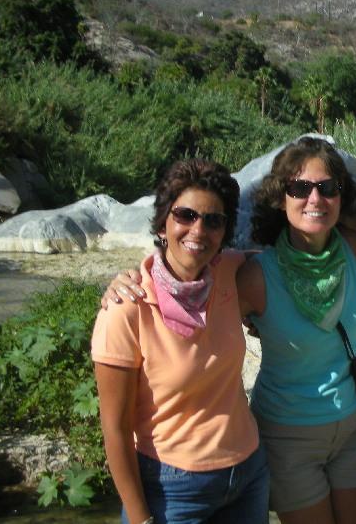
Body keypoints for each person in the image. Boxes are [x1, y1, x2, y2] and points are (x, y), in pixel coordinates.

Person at [105, 137, 356, 524]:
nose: (314, 198)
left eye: (326, 187)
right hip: (286, 435)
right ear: (282, 198)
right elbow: (187, 266)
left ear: (340, 198)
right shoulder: (251, 275)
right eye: (299, 188)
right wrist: (132, 278)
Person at [91, 159, 269, 524]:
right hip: (172, 488)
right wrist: (140, 519)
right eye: (185, 215)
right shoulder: (127, 307)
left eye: (213, 220)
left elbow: (290, 261)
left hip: (248, 472)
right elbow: (115, 429)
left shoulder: (229, 271)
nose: (198, 230)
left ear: (224, 232)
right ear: (162, 222)